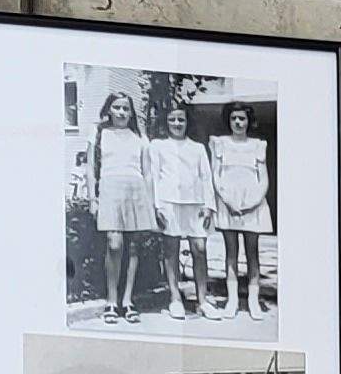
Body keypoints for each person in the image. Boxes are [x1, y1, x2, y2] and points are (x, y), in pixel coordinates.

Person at [89, 92, 158, 322]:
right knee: (114, 243)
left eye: (126, 108)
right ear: (109, 109)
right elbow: (90, 168)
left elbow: (147, 173)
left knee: (134, 247)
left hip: (135, 189)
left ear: (131, 112)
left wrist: (150, 202)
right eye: (117, 107)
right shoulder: (99, 132)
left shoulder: (139, 136)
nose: (121, 112)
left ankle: (127, 301)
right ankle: (111, 300)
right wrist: (92, 199)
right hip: (109, 188)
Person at [149, 104, 217, 317]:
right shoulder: (158, 146)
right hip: (168, 203)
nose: (177, 124)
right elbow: (154, 176)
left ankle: (202, 300)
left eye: (181, 119)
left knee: (200, 249)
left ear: (188, 122)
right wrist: (157, 206)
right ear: (165, 122)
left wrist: (209, 206)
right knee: (171, 250)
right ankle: (175, 298)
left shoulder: (197, 148)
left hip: (196, 204)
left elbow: (206, 177)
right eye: (172, 119)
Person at [209, 105, 274, 316]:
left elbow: (263, 179)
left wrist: (252, 203)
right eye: (234, 118)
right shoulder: (219, 143)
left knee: (252, 253)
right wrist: (228, 201)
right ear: (228, 120)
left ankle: (253, 300)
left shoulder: (257, 145)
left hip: (252, 204)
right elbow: (216, 176)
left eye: (242, 118)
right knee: (231, 253)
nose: (238, 122)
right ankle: (233, 300)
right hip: (228, 203)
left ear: (248, 121)